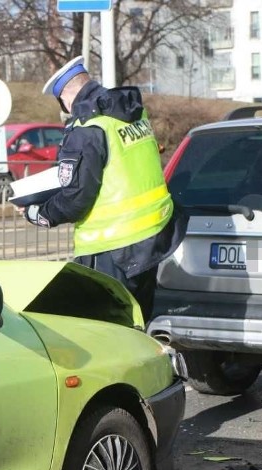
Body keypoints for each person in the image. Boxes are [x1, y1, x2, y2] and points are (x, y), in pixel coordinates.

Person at [20, 56, 187, 323]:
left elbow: (76, 199)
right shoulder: (131, 112)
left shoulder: (88, 127)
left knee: (108, 331)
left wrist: (39, 213)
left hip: (113, 248)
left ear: (64, 97)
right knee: (138, 321)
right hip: (152, 237)